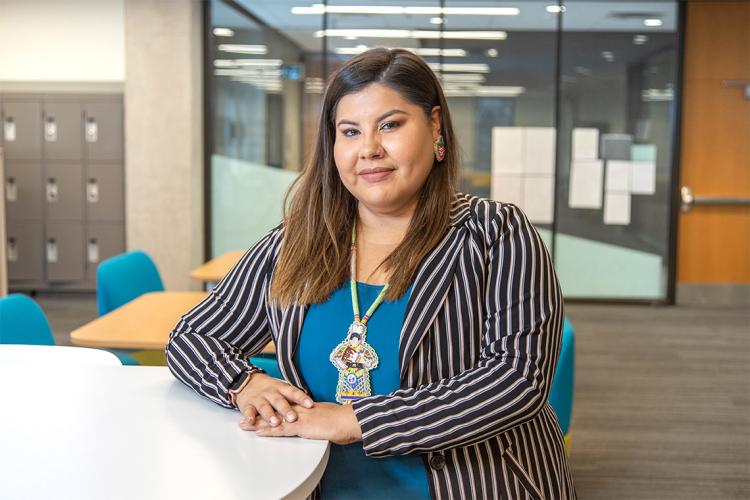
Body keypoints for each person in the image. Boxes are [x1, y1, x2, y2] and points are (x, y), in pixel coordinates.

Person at [167, 47, 577, 499]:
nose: (369, 149)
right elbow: (191, 338)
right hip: (320, 487)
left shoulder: (495, 233)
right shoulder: (297, 242)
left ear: (435, 126)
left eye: (391, 125)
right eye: (350, 131)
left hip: (474, 485)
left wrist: (356, 420)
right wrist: (245, 383)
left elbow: (516, 379)